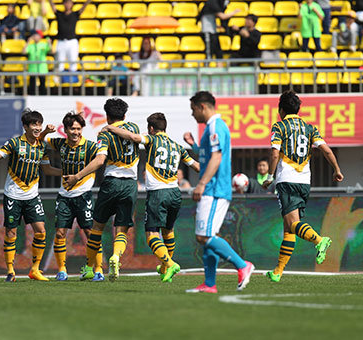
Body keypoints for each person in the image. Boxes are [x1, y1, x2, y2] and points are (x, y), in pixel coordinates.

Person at [102, 112, 200, 283]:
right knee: (168, 231)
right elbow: (196, 166)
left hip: (158, 193)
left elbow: (132, 136)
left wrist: (111, 127)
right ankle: (164, 268)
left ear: (151, 128)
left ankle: (169, 264)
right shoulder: (178, 146)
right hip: (175, 194)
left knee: (151, 235)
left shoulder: (152, 139)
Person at [263, 91, 344, 283]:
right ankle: (278, 271)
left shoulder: (279, 126)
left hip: (287, 180)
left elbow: (275, 155)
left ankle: (319, 240)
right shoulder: (310, 128)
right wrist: (337, 169)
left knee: (292, 224)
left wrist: (269, 176)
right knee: (289, 229)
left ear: (280, 109)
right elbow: (326, 150)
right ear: (298, 109)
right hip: (304, 181)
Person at [0, 109, 60, 282]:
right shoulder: (14, 143)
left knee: (41, 231)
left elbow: (47, 169)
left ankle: (35, 270)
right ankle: (11, 271)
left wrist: (67, 173)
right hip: (13, 195)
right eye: (34, 124)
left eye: (39, 124)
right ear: (25, 127)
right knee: (11, 233)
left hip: (32, 195)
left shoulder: (42, 146)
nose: (37, 128)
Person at [183, 91, 254, 294]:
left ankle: (242, 265)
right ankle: (210, 284)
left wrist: (201, 184)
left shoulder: (215, 125)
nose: (192, 114)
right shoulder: (213, 128)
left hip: (214, 189)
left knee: (203, 236)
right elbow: (208, 155)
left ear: (202, 107)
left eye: (193, 109)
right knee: (208, 236)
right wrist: (194, 147)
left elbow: (216, 157)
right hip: (215, 188)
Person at [64, 98, 139, 282]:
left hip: (111, 183)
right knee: (121, 229)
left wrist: (76, 176)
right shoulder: (135, 128)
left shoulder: (104, 134)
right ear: (125, 115)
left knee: (97, 227)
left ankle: (89, 267)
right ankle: (115, 257)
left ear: (107, 116)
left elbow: (99, 161)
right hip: (130, 184)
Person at [40, 113, 104, 281]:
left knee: (91, 233)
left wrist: (78, 176)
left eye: (78, 128)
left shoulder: (90, 147)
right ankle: (62, 270)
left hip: (84, 195)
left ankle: (98, 269)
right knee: (60, 233)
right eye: (72, 129)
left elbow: (100, 160)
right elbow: (39, 140)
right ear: (65, 130)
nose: (76, 132)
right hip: (64, 196)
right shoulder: (59, 143)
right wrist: (46, 132)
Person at [48, 0, 93, 73]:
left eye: (69, 3)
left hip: (72, 42)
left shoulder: (75, 14)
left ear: (72, 4)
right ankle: (61, 82)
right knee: (60, 63)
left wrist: (88, 1)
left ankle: (72, 82)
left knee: (73, 62)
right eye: (66, 2)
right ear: (63, 4)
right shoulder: (59, 14)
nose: (67, 4)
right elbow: (53, 7)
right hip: (61, 42)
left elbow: (83, 8)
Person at [198, 0, 240, 64]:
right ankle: (206, 69)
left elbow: (211, 18)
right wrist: (234, 12)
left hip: (213, 32)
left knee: (219, 53)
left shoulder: (214, 5)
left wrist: (217, 26)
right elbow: (222, 16)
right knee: (209, 53)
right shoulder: (211, 3)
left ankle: (220, 71)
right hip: (207, 32)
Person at [24, 30, 50, 95]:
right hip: (33, 68)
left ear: (40, 36)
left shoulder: (44, 44)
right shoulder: (30, 45)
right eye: (34, 35)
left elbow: (52, 51)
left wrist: (49, 43)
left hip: (42, 68)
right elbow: (23, 52)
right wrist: (27, 42)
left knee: (42, 86)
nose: (34, 37)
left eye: (36, 35)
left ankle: (43, 100)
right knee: (32, 86)